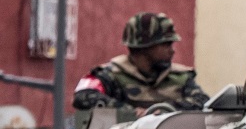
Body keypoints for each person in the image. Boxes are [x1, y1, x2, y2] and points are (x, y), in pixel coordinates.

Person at [71, 12, 208, 113]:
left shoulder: (180, 77)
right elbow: (83, 96)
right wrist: (130, 112)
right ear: (145, 47)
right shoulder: (110, 75)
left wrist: (162, 111)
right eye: (166, 45)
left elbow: (202, 100)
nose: (171, 51)